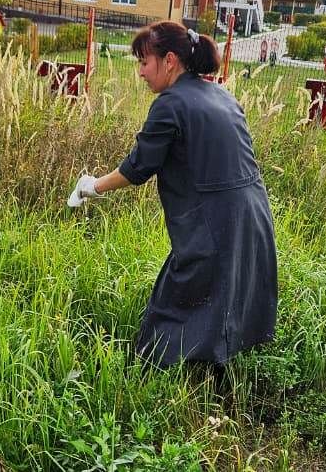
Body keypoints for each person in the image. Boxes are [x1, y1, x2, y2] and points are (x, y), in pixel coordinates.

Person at [68, 21, 277, 369]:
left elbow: (138, 167)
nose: (140, 73)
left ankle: (154, 370)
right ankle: (214, 369)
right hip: (253, 214)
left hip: (215, 219)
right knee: (225, 290)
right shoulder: (222, 95)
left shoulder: (170, 104)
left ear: (169, 61)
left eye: (143, 62)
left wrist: (91, 186)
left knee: (178, 298)